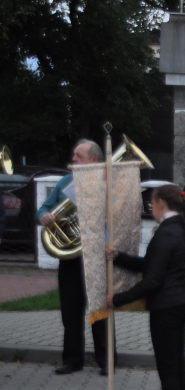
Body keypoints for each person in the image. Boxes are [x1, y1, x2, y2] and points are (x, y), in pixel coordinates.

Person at [106, 184, 185, 390]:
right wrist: (119, 257)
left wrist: (118, 299)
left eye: (152, 203)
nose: (151, 208)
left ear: (160, 204)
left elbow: (152, 280)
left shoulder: (166, 233)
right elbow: (150, 265)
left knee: (169, 371)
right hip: (179, 302)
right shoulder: (178, 228)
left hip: (166, 307)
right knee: (177, 368)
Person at [37, 139, 117, 376]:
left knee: (99, 311)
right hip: (70, 258)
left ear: (93, 159)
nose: (73, 159)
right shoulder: (65, 182)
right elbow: (43, 208)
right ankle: (72, 360)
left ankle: (107, 361)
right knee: (70, 311)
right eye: (74, 155)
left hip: (96, 256)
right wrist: (44, 216)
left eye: (78, 156)